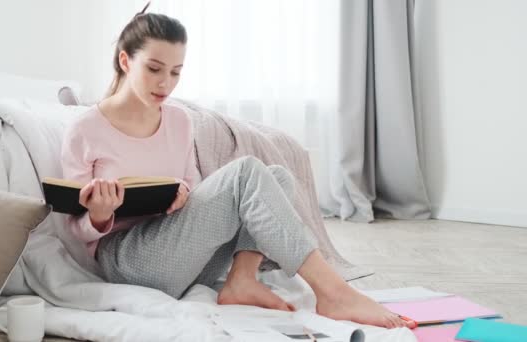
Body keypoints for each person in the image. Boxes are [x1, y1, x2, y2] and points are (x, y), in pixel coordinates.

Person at [60, 3, 408, 329]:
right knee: (246, 173)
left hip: (182, 255)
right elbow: (73, 228)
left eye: (176, 72)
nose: (166, 83)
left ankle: (242, 278)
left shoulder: (179, 121)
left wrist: (183, 195)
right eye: (154, 69)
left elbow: (191, 184)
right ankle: (334, 293)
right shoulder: (85, 129)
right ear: (125, 61)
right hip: (126, 261)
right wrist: (100, 216)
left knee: (278, 177)